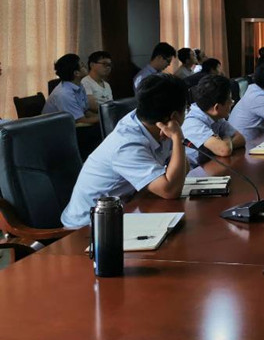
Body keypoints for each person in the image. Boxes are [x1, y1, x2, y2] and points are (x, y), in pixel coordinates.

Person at [61, 74, 189, 228]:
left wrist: (175, 139)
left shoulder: (153, 123)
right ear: (174, 117)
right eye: (186, 110)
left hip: (125, 209)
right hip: (89, 226)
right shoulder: (127, 143)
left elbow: (183, 171)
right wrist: (178, 138)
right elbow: (170, 190)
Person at [182, 75, 245, 167]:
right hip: (194, 171)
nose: (232, 103)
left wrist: (225, 140)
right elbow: (224, 150)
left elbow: (241, 139)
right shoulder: (193, 123)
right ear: (217, 107)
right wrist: (226, 141)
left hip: (211, 166)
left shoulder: (216, 117)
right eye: (229, 101)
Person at [42, 53, 99, 124]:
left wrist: (101, 116)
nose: (85, 66)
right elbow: (80, 121)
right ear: (76, 73)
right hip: (55, 128)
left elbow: (85, 111)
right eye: (82, 65)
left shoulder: (79, 85)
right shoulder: (64, 94)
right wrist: (103, 118)